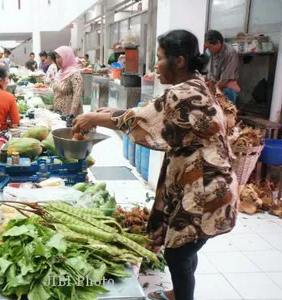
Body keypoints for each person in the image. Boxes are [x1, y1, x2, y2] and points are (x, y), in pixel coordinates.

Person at [72, 30, 238, 300]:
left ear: (180, 61)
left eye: (160, 58)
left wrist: (94, 118)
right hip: (203, 182)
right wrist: (110, 114)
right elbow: (152, 114)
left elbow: (145, 120)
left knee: (178, 252)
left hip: (207, 188)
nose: (155, 66)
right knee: (187, 244)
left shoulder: (184, 95)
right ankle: (178, 292)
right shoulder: (195, 86)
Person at [204, 29, 241, 104]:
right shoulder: (210, 51)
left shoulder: (229, 53)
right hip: (215, 84)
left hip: (226, 86)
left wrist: (212, 93)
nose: (208, 50)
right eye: (207, 47)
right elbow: (207, 71)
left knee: (226, 111)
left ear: (218, 43)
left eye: (210, 47)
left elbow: (224, 79)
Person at [52, 46, 83, 116]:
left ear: (67, 57)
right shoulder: (59, 72)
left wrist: (71, 115)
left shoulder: (75, 74)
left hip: (69, 115)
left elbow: (77, 95)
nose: (57, 60)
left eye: (59, 57)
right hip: (58, 113)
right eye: (56, 57)